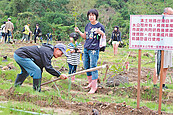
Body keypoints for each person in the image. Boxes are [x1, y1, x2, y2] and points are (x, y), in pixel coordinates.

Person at [75, 9, 105, 94]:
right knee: (86, 66)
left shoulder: (100, 26)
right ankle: (90, 83)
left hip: (94, 49)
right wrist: (78, 31)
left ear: (96, 16)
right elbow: (85, 36)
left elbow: (104, 37)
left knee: (93, 66)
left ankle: (94, 87)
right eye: (90, 15)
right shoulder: (87, 25)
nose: (91, 17)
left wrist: (101, 33)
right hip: (86, 48)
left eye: (93, 15)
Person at [153, 7, 173, 89]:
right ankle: (155, 84)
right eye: (170, 14)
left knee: (166, 66)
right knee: (158, 65)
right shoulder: (159, 21)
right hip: (160, 46)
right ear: (165, 14)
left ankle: (163, 84)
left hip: (169, 46)